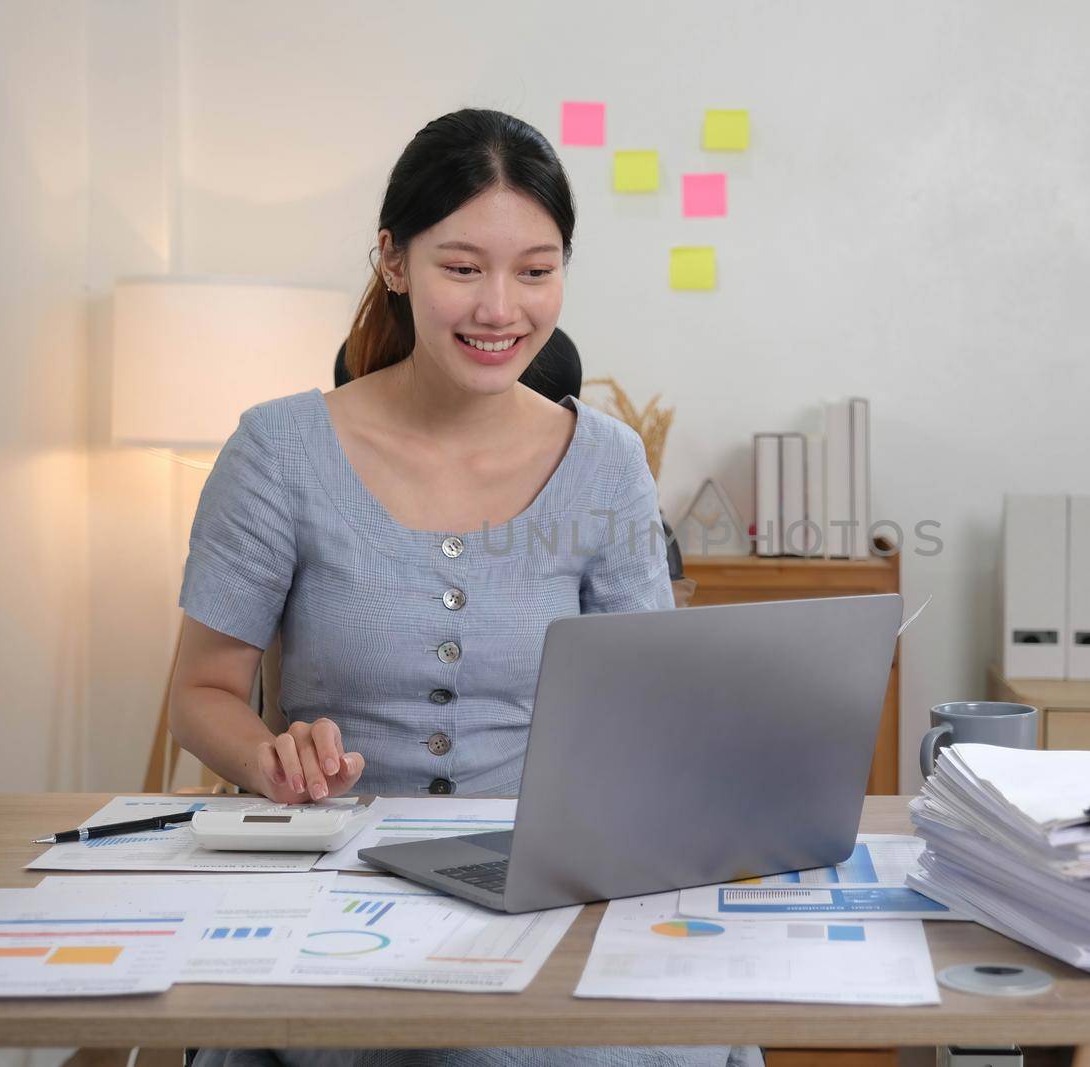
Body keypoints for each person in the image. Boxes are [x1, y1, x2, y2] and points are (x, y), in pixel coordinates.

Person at [171, 108, 758, 1067]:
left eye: (536, 270)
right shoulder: (277, 450)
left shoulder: (605, 461)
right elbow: (200, 691)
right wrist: (272, 754)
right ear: (394, 262)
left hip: (553, 881)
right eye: (462, 267)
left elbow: (651, 705)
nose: (501, 309)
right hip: (339, 883)